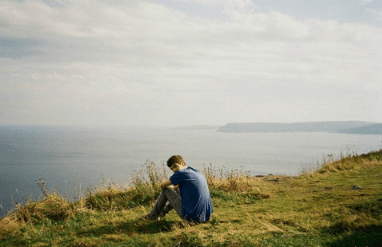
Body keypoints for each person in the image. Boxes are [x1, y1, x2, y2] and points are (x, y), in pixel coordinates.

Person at [142, 155, 213, 223]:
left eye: (175, 166)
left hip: (192, 218)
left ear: (181, 163)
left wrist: (171, 188)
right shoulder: (195, 171)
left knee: (166, 190)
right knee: (177, 190)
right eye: (172, 169)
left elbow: (162, 185)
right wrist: (173, 189)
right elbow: (180, 185)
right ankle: (161, 213)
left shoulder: (180, 173)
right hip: (206, 216)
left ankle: (152, 216)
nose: (174, 170)